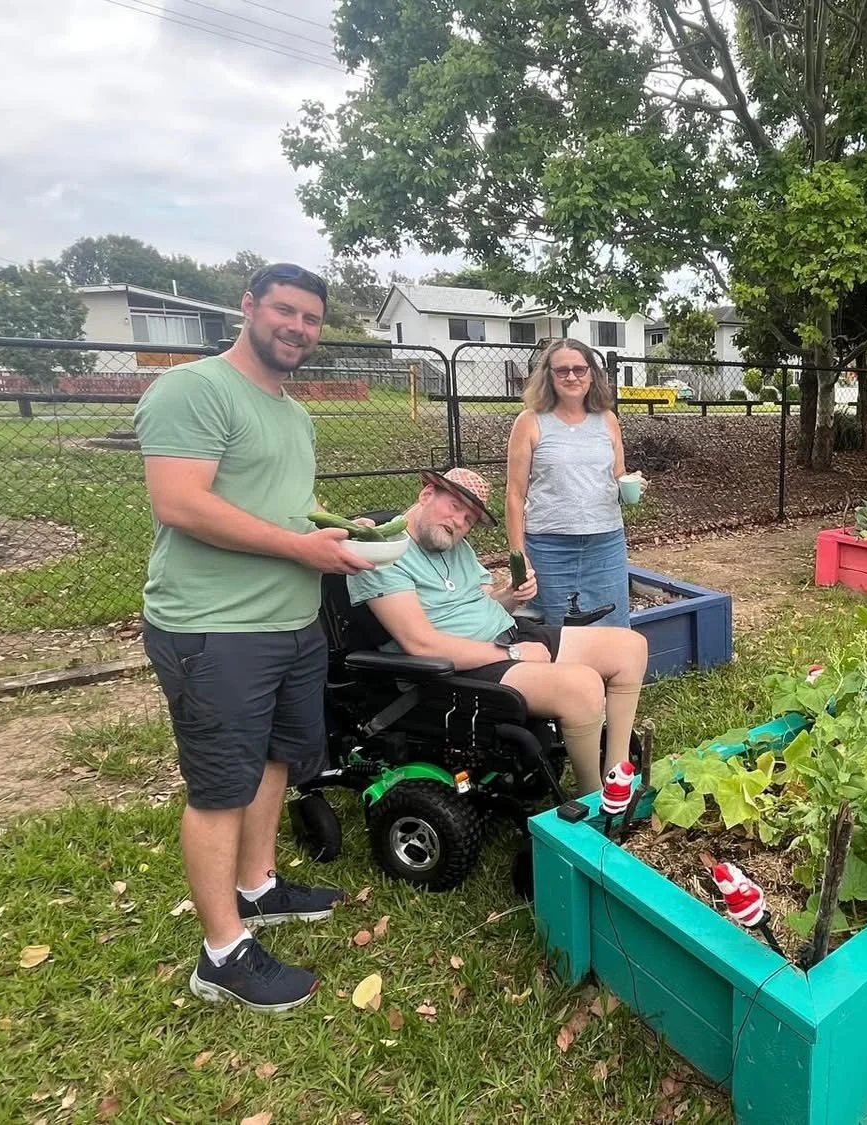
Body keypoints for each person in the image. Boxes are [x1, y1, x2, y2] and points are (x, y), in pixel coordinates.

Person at [136, 262, 373, 1014]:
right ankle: (222, 952)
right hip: (214, 627)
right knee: (219, 787)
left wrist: (333, 526)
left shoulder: (293, 412)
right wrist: (302, 549)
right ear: (249, 307)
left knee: (280, 756)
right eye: (285, 311)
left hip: (291, 621)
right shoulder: (193, 388)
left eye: (311, 318)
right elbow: (180, 503)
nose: (297, 327)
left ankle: (259, 885)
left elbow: (287, 505)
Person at [346, 467, 647, 795]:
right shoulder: (381, 552)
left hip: (506, 635)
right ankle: (593, 798)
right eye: (455, 507)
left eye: (469, 519)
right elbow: (420, 644)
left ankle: (617, 776)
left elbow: (484, 597)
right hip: (455, 670)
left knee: (630, 647)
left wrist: (511, 595)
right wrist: (513, 654)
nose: (460, 522)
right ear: (427, 494)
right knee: (583, 686)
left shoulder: (453, 544)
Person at [506, 337, 639, 627]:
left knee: (612, 626)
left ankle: (609, 673)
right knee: (555, 629)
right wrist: (519, 557)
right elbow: (515, 495)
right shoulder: (529, 421)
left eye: (579, 369)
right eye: (562, 370)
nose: (571, 376)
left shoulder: (607, 419)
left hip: (605, 542)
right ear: (548, 376)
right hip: (549, 546)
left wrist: (630, 482)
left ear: (592, 373)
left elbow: (618, 474)